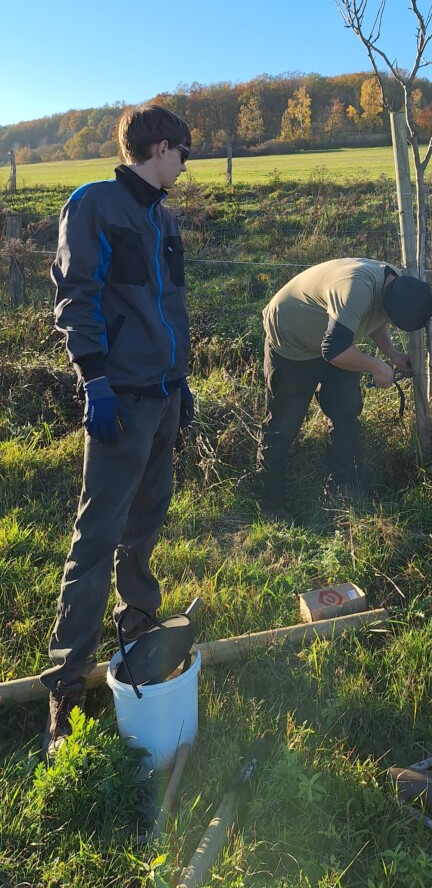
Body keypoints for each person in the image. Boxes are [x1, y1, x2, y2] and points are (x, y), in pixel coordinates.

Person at [41, 105, 193, 759]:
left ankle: (137, 624)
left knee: (146, 522)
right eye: (184, 153)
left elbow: (172, 306)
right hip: (120, 401)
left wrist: (181, 381)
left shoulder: (163, 220)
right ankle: (67, 685)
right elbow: (76, 296)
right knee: (96, 537)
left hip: (160, 398)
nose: (186, 165)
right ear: (162, 148)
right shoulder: (94, 205)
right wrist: (94, 381)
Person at [255, 257, 432, 514]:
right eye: (395, 323)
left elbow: (374, 318)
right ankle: (270, 503)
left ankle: (342, 490)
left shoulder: (394, 282)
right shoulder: (356, 289)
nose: (391, 325)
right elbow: (334, 350)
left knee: (346, 413)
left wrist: (393, 354)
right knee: (284, 424)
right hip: (292, 340)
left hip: (333, 339)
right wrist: (376, 366)